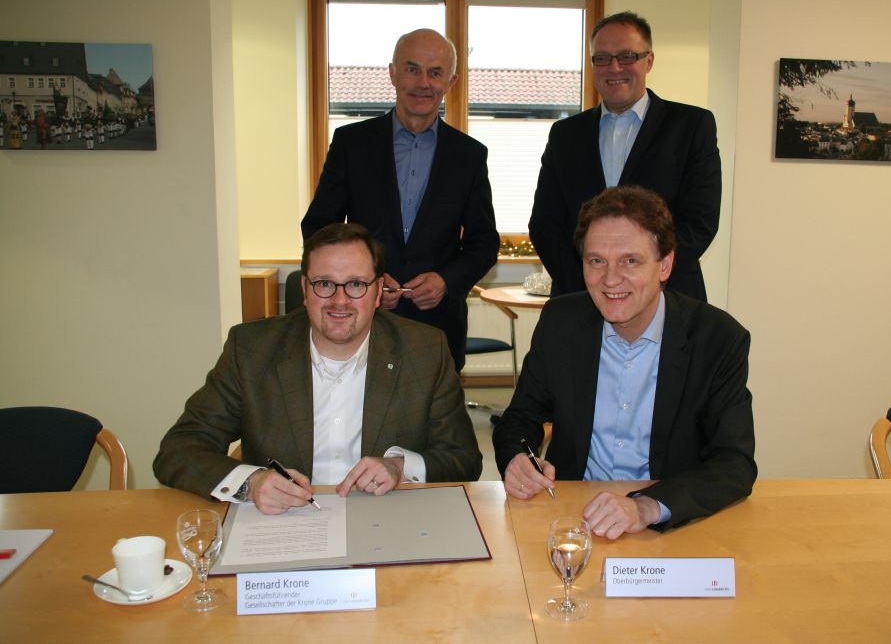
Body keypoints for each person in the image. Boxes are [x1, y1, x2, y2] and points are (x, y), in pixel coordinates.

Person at [154, 223, 483, 514]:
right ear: (304, 289)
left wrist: (400, 466)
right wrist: (251, 483)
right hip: (282, 525)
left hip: (385, 522)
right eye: (324, 284)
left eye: (356, 284)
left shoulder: (425, 350)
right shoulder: (252, 351)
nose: (340, 301)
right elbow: (178, 449)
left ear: (378, 291)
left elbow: (464, 459)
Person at [493, 186, 755, 539]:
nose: (611, 279)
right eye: (596, 261)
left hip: (669, 526)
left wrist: (647, 506)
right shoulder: (560, 322)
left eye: (630, 261)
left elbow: (734, 463)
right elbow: (520, 418)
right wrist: (517, 458)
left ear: (665, 265)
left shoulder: (717, 338)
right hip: (573, 517)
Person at [301, 28, 499, 372]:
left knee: (435, 409)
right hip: (361, 317)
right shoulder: (351, 144)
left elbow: (484, 242)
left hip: (438, 325)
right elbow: (318, 227)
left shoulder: (469, 155)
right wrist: (365, 280)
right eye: (412, 69)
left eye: (435, 72)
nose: (423, 82)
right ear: (392, 73)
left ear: (450, 82)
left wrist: (446, 281)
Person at [529, 11, 722, 301]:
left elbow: (700, 221)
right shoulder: (565, 134)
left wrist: (644, 282)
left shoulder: (691, 126)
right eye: (602, 58)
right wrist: (590, 284)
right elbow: (544, 224)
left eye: (627, 56)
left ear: (649, 61)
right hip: (580, 301)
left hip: (667, 299)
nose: (614, 67)